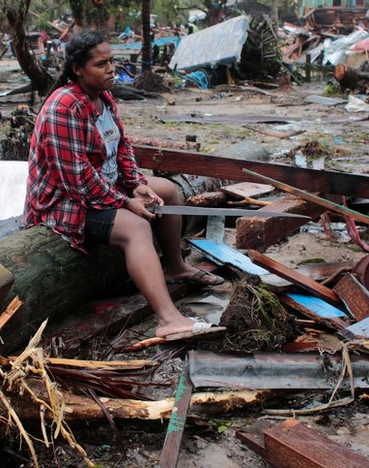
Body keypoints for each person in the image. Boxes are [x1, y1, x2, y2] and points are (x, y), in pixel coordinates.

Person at [23, 31, 225, 341]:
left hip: (104, 187)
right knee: (137, 228)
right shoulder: (63, 108)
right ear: (78, 69)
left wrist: (137, 185)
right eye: (100, 63)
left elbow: (122, 148)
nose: (110, 69)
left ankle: (174, 266)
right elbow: (77, 179)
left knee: (167, 192)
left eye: (111, 61)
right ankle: (168, 319)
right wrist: (124, 201)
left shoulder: (103, 98)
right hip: (64, 202)